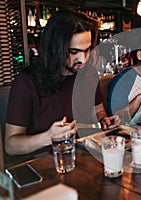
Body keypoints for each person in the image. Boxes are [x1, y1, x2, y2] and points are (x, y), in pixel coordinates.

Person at [5, 10, 120, 156]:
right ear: (55, 48)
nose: (83, 59)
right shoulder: (26, 82)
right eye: (74, 51)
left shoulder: (89, 74)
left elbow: (98, 111)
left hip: (83, 157)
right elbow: (10, 145)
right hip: (43, 164)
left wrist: (104, 120)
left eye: (87, 50)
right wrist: (47, 137)